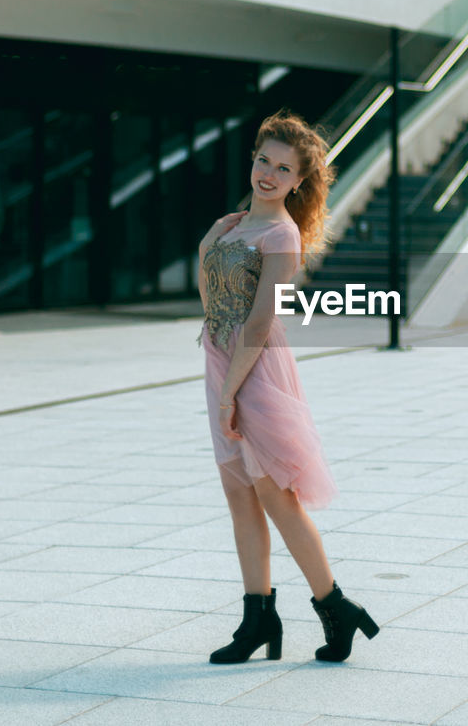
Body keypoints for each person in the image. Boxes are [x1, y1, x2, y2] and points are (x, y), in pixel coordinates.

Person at [197, 110, 378, 664]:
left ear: (299, 181)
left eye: (283, 169)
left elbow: (257, 320)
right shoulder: (233, 225)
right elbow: (208, 290)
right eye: (263, 161)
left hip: (253, 368)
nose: (269, 175)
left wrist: (231, 392)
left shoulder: (281, 232)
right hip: (220, 359)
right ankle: (259, 620)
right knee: (239, 496)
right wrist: (211, 239)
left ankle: (335, 606)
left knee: (278, 496)